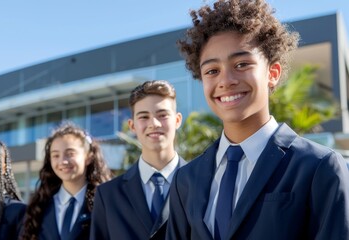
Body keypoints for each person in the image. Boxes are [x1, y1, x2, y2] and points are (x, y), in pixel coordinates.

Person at [166, 0, 349, 239]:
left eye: (242, 64)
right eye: (212, 71)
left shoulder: (319, 167)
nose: (226, 80)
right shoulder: (185, 180)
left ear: (272, 74)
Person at [90, 80, 186, 240]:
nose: (154, 124)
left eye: (162, 115)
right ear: (132, 126)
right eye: (144, 117)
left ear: (177, 120)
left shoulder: (204, 183)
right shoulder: (108, 195)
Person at [20, 123, 112, 240]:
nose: (63, 161)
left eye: (70, 154)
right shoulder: (39, 207)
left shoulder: (106, 204)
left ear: (88, 157)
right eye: (56, 155)